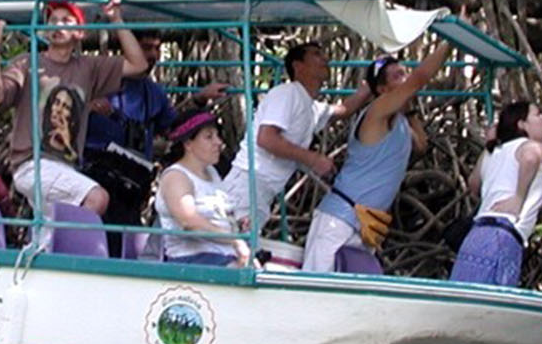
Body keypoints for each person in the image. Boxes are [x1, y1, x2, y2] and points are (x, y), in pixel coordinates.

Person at [0, 0, 149, 224]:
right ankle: (71, 249)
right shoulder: (27, 63)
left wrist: (116, 19)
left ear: (79, 32)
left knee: (52, 231)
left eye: (66, 20)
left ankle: (49, 251)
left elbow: (139, 65)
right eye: (52, 20)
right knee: (97, 198)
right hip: (32, 164)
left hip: (65, 168)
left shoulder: (88, 68)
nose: (57, 25)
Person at [300, 40, 453, 271]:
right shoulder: (376, 113)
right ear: (381, 91)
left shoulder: (401, 122)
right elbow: (419, 78)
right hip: (338, 221)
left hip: (366, 227)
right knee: (315, 294)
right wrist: (449, 41)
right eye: (397, 77)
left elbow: (421, 146)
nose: (405, 79)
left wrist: (409, 110)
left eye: (405, 73)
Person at [84, 29, 227, 245]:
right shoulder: (100, 81)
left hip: (134, 177)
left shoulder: (154, 93)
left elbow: (175, 130)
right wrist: (88, 108)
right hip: (98, 171)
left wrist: (199, 99)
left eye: (157, 48)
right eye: (146, 48)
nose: (152, 55)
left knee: (127, 236)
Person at [220, 40, 369, 235]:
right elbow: (266, 138)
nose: (325, 59)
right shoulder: (287, 93)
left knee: (238, 247)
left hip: (262, 189)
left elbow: (343, 110)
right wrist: (313, 158)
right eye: (316, 54)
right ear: (297, 66)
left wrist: (366, 90)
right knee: (228, 246)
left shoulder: (310, 107)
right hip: (249, 184)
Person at [449, 101, 542, 286]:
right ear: (522, 124)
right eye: (538, 115)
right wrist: (518, 198)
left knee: (464, 302)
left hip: (476, 236)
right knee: (490, 307)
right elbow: (531, 157)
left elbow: (474, 184)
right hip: (502, 237)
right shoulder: (531, 146)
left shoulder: (491, 151)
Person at [152, 111, 250, 267]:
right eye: (209, 137)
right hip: (194, 260)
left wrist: (237, 225)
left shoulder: (212, 172)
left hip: (224, 255)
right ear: (188, 144)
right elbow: (189, 221)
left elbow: (218, 215)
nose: (218, 142)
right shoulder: (176, 177)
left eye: (218, 136)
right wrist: (234, 239)